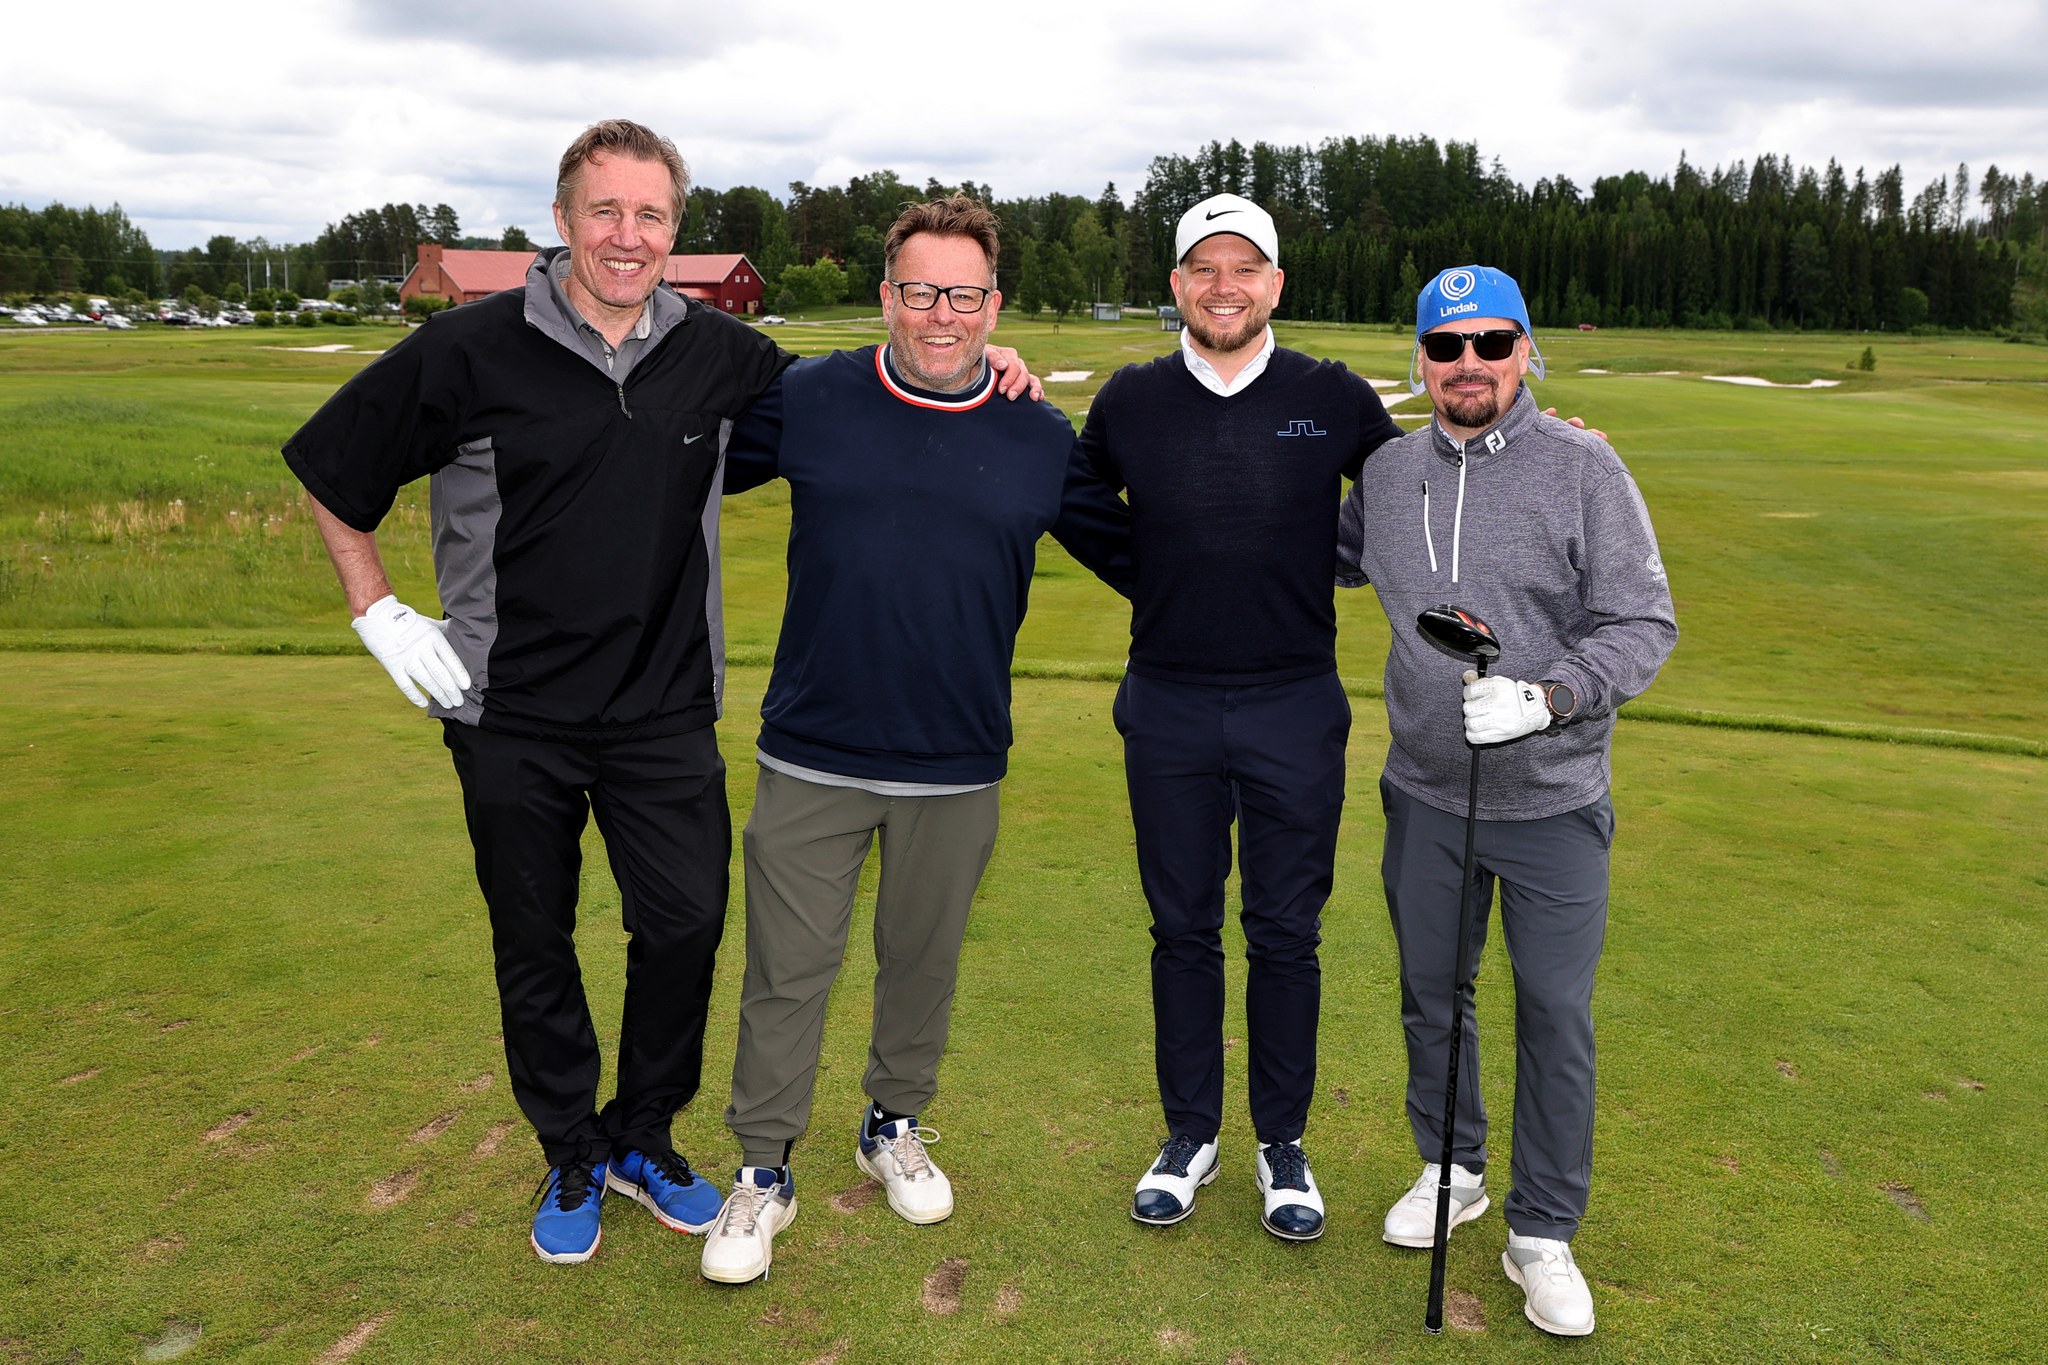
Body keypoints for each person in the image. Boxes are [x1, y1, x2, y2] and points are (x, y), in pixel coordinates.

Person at [281, 122, 1043, 1266]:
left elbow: (874, 393)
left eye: (650, 216)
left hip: (664, 708)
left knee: (684, 928)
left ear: (675, 232)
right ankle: (570, 1150)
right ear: (562, 220)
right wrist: (376, 609)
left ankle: (641, 1135)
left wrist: (985, 369)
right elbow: (331, 467)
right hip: (509, 713)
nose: (627, 236)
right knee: (533, 941)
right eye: (605, 211)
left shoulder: (719, 354)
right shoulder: (467, 348)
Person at [697, 194, 1132, 1285]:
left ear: (995, 304)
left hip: (957, 757)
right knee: (786, 971)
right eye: (922, 290)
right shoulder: (812, 396)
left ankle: (891, 1123)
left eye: (965, 294)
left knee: (922, 960)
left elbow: (1146, 556)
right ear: (887, 295)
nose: (944, 313)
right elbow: (675, 454)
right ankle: (762, 1170)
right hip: (812, 747)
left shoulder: (1037, 433)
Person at [1336, 265, 1676, 1337]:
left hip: (1554, 799)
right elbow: (1304, 558)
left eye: (1492, 341)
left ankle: (1541, 1231)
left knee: (1554, 1013)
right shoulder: (1388, 473)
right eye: (1446, 345)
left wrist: (1548, 697)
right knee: (1431, 993)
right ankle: (1452, 1168)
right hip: (1424, 793)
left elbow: (1642, 621)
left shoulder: (1583, 467)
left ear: (1527, 350)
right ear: (1420, 361)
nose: (1468, 363)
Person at [1076, 195, 1402, 1242]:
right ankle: (1189, 1134)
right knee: (1181, 928)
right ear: (1177, 284)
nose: (1225, 287)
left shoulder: (1331, 394)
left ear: (1275, 284)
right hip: (1167, 701)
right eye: (1204, 269)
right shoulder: (1131, 398)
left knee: (1285, 934)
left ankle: (1281, 1143)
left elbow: (1415, 493)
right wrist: (1156, 575)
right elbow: (1075, 501)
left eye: (1245, 268)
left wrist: (1546, 448)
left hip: (1293, 703)